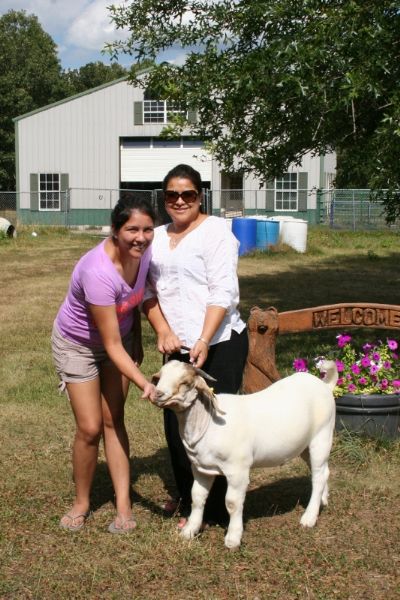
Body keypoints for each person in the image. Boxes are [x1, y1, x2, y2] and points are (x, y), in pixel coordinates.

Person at [143, 164, 248, 527]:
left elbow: (223, 291)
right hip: (176, 344)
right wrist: (162, 330)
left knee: (217, 424)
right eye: (172, 194)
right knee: (176, 424)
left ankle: (219, 507)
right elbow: (146, 292)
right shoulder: (154, 238)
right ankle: (189, 499)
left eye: (188, 193)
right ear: (164, 198)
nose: (180, 200)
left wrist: (203, 339)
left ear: (200, 196)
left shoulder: (216, 231)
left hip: (218, 341)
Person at [52, 196, 158, 533]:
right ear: (114, 230)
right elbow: (109, 345)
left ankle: (123, 508)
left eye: (147, 229)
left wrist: (139, 338)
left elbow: (135, 299)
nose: (141, 237)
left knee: (115, 420)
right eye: (132, 230)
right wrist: (145, 383)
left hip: (120, 339)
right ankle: (82, 502)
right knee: (90, 427)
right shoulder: (97, 271)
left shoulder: (144, 254)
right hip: (79, 345)